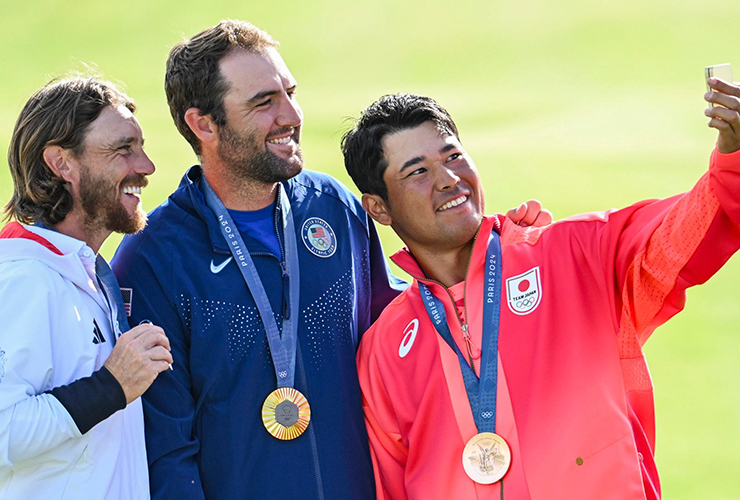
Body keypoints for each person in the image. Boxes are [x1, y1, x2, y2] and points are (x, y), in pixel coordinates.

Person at [111, 20, 550, 500]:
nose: (290, 115)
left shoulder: (333, 207)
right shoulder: (154, 256)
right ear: (203, 124)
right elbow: (164, 447)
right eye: (264, 103)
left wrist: (505, 255)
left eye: (289, 92)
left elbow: (410, 338)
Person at [341, 84, 740, 500]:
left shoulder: (575, 255)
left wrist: (733, 159)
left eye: (453, 156)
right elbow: (391, 487)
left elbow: (687, 234)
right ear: (379, 208)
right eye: (417, 171)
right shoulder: (385, 347)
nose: (448, 180)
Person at [0, 77, 172, 499]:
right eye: (122, 149)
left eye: (141, 146)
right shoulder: (24, 279)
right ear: (62, 163)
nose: (146, 166)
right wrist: (111, 386)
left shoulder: (81, 272)